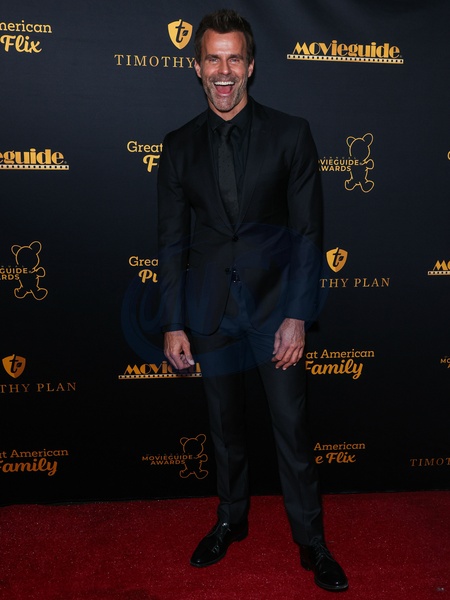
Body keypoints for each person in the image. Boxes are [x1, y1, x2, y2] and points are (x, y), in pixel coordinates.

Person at [157, 9, 348, 592]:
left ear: (251, 66)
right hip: (210, 313)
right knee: (223, 428)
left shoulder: (291, 134)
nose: (224, 71)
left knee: (292, 428)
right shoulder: (178, 146)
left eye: (233, 59)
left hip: (274, 312)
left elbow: (308, 234)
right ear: (197, 68)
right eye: (212, 59)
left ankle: (312, 542)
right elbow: (171, 241)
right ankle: (229, 521)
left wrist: (298, 315)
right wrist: (173, 323)